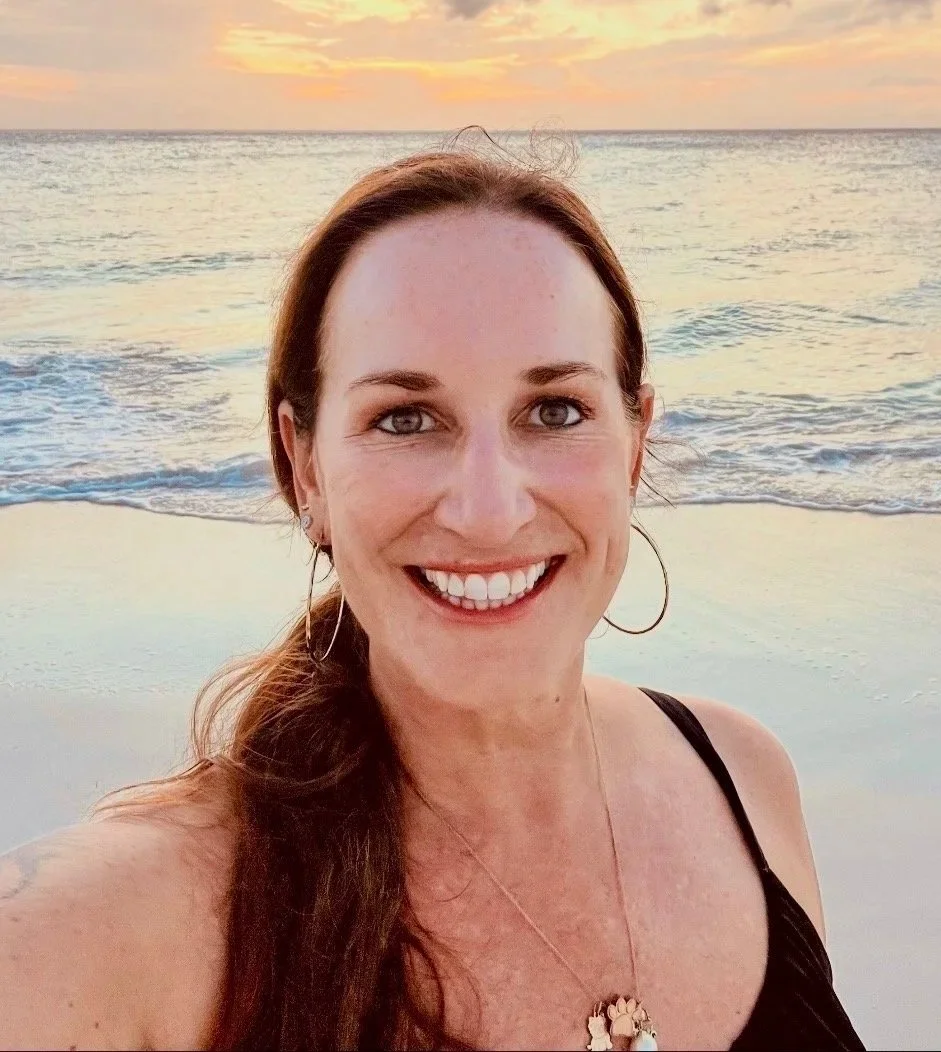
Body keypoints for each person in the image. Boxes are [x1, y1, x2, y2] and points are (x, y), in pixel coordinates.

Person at [0, 129, 865, 1051]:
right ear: (306, 469)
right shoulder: (115, 927)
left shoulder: (742, 776)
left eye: (555, 410)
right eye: (405, 419)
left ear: (635, 443)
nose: (488, 511)